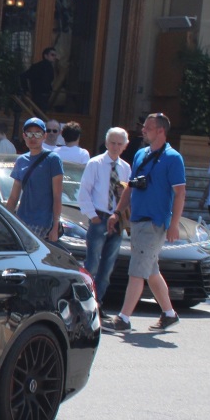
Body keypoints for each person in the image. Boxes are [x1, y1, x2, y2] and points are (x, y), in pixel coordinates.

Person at [106, 113, 186, 332]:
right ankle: (169, 313)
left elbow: (180, 193)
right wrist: (117, 212)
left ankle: (123, 318)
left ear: (160, 130)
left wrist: (174, 224)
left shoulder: (173, 158)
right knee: (150, 270)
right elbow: (130, 186)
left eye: (148, 128)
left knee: (137, 271)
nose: (143, 130)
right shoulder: (141, 154)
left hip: (154, 222)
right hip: (138, 221)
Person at [78, 127, 130, 301]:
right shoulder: (95, 163)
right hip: (99, 216)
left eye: (119, 144)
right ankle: (85, 301)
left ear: (125, 146)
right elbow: (84, 191)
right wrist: (93, 216)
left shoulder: (125, 168)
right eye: (112, 143)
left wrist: (122, 216)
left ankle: (98, 302)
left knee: (107, 266)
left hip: (117, 219)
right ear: (107, 143)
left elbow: (127, 194)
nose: (115, 147)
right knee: (92, 264)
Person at [5, 117, 64, 244]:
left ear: (44, 136)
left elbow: (57, 196)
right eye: (29, 133)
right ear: (24, 136)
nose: (33, 137)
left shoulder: (53, 159)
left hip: (42, 222)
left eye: (37, 133)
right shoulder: (21, 160)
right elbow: (14, 197)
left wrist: (55, 226)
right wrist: (5, 221)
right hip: (21, 220)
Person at [22, 47, 58, 113]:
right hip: (39, 95)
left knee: (39, 114)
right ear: (46, 56)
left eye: (55, 55)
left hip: (39, 95)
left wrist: (26, 90)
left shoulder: (42, 66)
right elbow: (23, 76)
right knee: (40, 114)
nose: (54, 57)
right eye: (52, 55)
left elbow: (23, 76)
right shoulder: (41, 67)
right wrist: (26, 90)